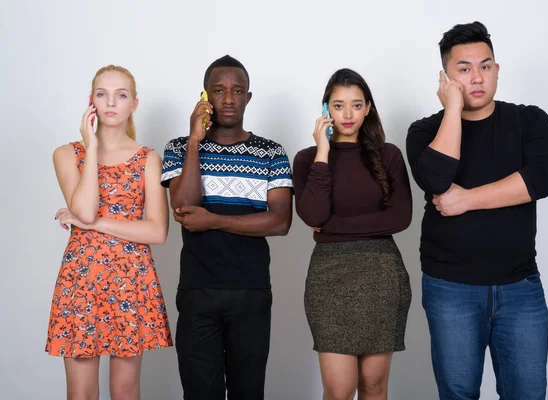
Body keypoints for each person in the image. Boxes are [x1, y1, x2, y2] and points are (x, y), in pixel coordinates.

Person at [405, 21, 548, 399]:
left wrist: (467, 199)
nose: (477, 77)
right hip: (450, 288)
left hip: (520, 287)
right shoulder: (424, 131)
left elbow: (543, 178)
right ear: (445, 77)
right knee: (458, 393)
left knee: (526, 392)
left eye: (485, 66)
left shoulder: (530, 120)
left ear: (496, 69)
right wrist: (454, 108)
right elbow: (437, 179)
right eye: (464, 69)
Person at [161, 55, 293, 400]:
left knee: (247, 392)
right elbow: (184, 208)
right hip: (197, 290)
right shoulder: (178, 148)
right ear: (205, 97)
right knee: (199, 393)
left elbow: (280, 222)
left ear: (249, 97)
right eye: (219, 91)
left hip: (250, 291)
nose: (229, 99)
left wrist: (215, 220)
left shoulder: (270, 153)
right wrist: (194, 140)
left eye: (238, 91)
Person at [46, 65, 172, 400]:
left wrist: (93, 224)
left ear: (134, 103)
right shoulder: (67, 154)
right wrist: (91, 147)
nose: (111, 102)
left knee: (125, 392)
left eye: (121, 95)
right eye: (102, 94)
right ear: (92, 102)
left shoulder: (148, 159)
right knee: (82, 394)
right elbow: (85, 208)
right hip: (81, 282)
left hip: (132, 279)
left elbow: (157, 232)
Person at [293, 68, 413, 400]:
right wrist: (322, 151)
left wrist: (332, 227)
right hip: (329, 278)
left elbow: (401, 217)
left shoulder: (388, 155)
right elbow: (313, 214)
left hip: (382, 275)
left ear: (369, 108)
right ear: (325, 110)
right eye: (338, 105)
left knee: (374, 385)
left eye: (357, 105)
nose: (348, 114)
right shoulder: (307, 159)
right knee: (339, 388)